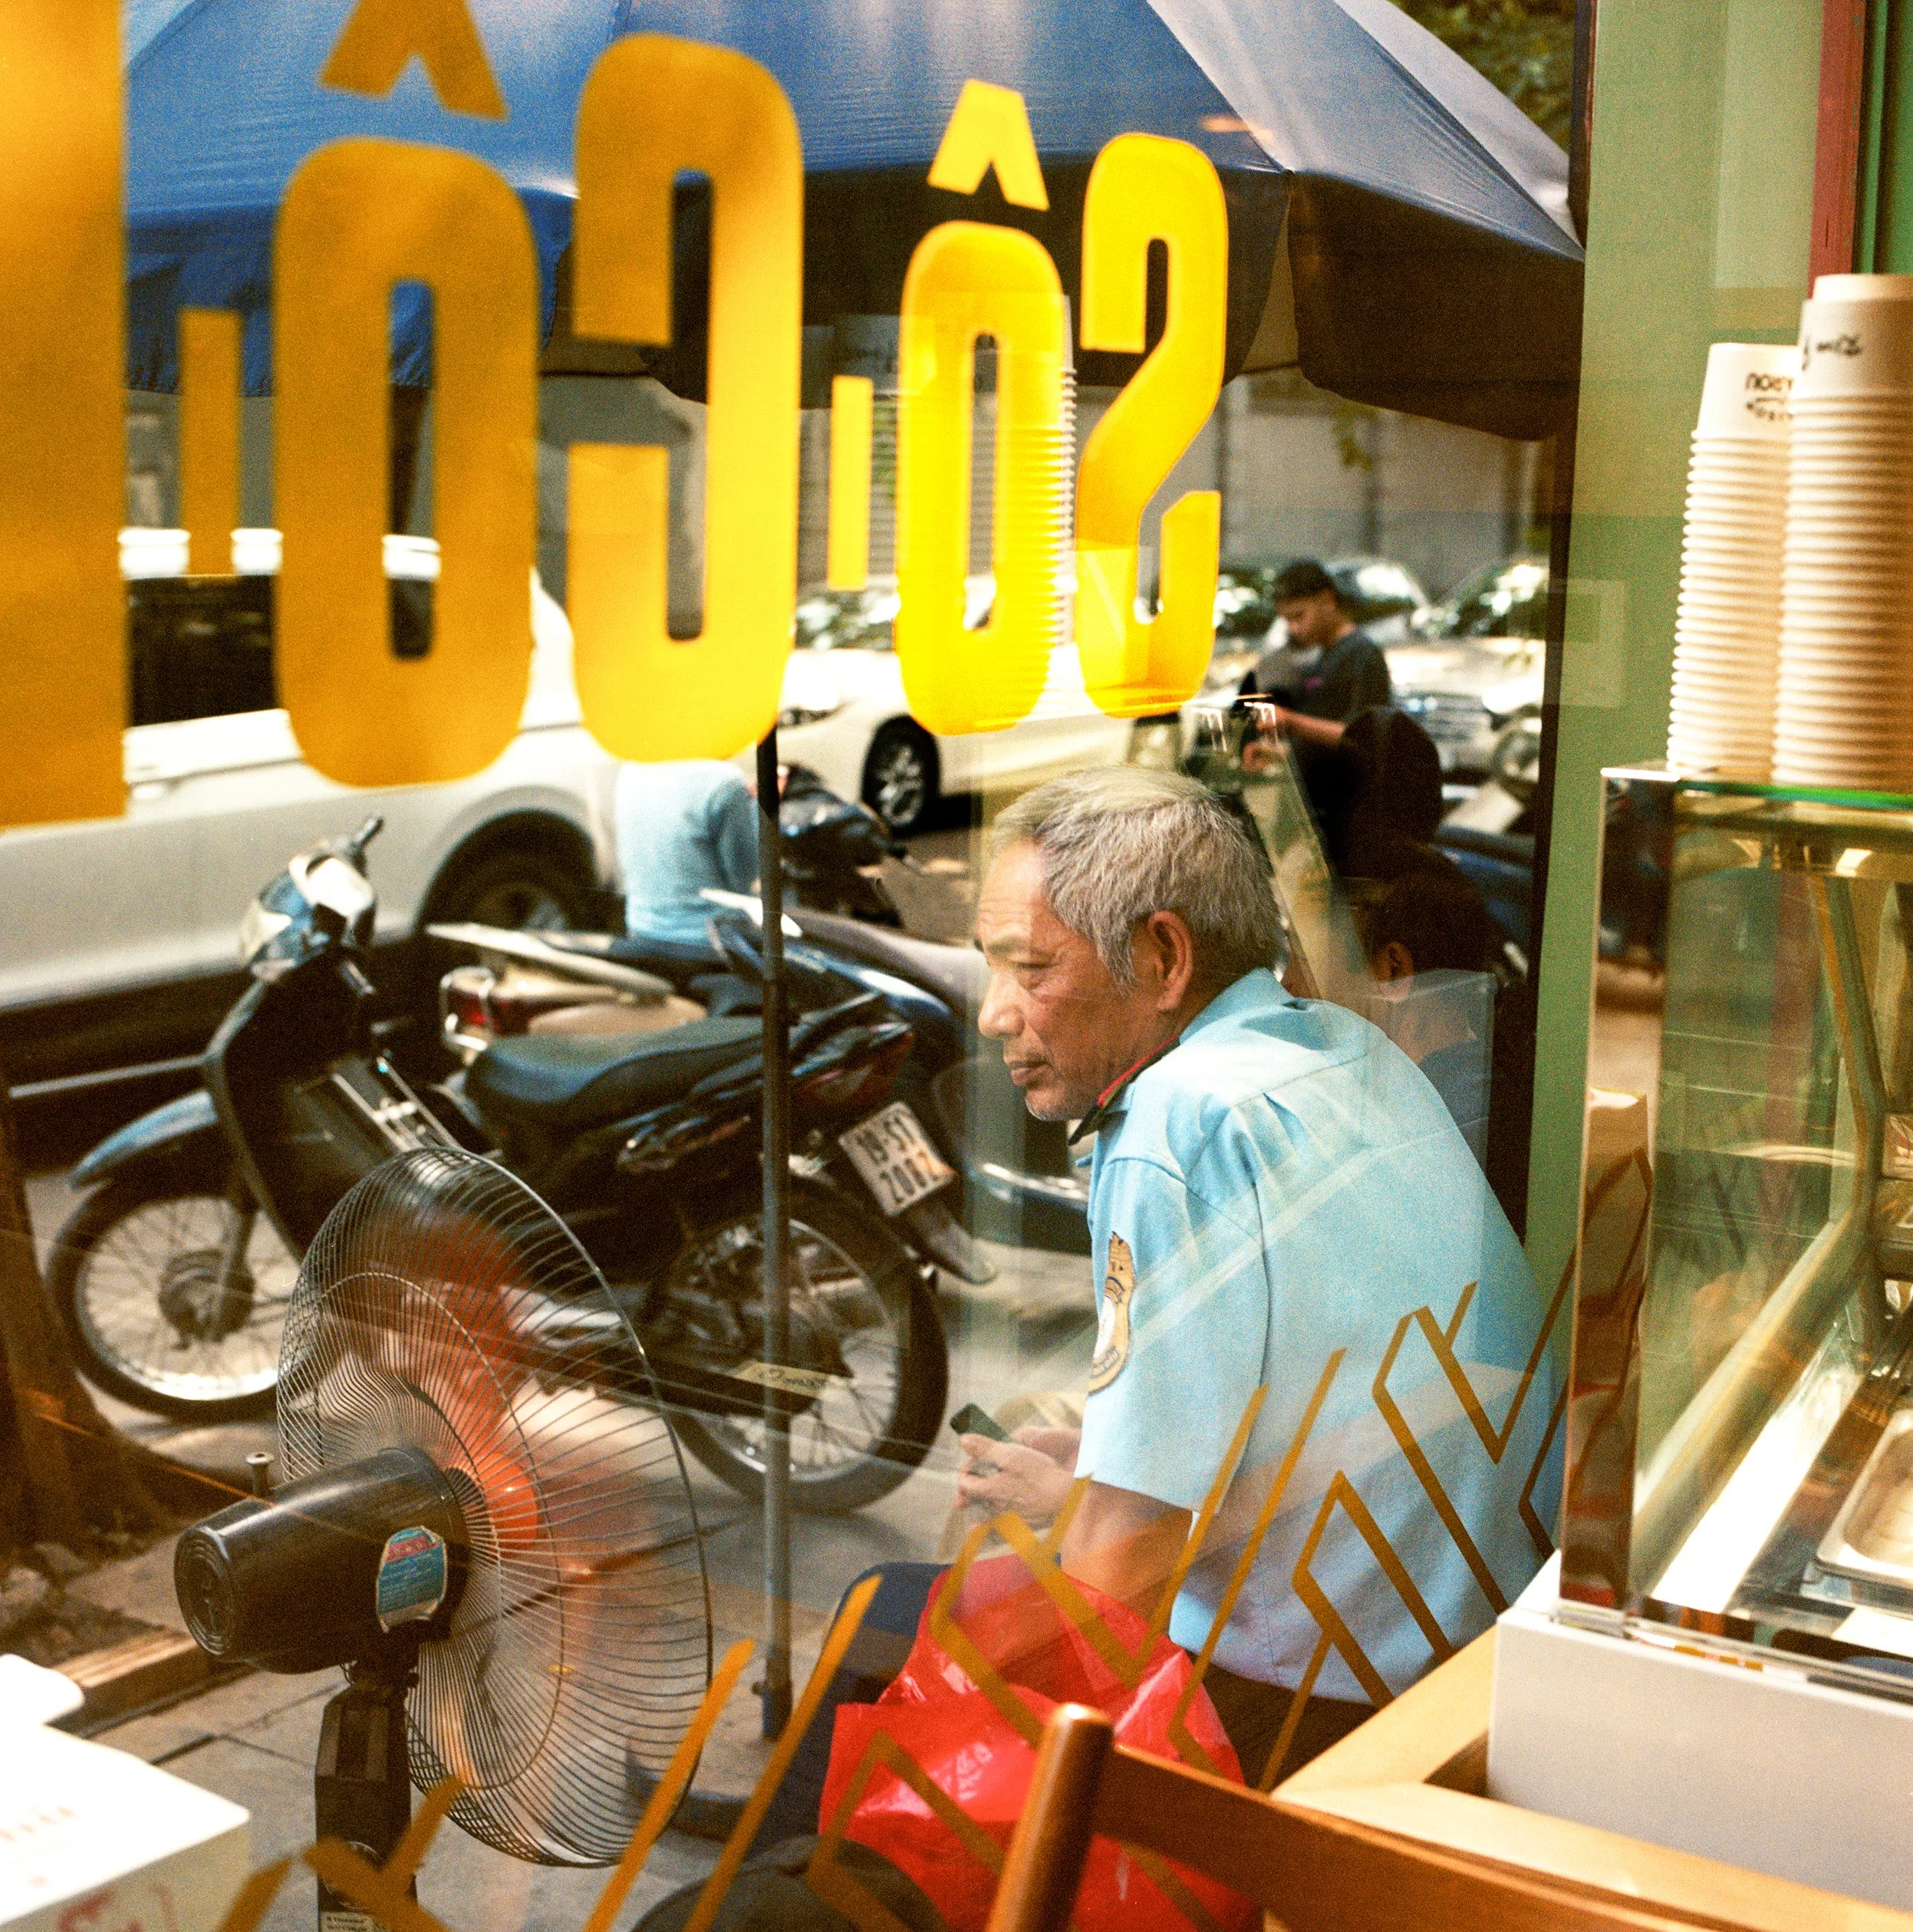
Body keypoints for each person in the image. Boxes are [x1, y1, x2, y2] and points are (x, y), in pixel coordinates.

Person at [952, 767, 1557, 1781]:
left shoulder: (1175, 1122)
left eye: (1028, 969)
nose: (993, 1013)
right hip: (1470, 1649)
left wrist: (1080, 1513)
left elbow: (1120, 1567)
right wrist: (1093, 1476)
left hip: (1313, 1707)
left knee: (904, 1612)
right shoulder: (1344, 1046)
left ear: (1160, 954)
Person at [613, 759, 759, 959]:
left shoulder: (631, 770)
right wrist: (753, 809)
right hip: (709, 943)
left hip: (642, 931)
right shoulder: (724, 779)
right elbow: (744, 878)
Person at [1240, 558, 1393, 750]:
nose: (1293, 628)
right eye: (1287, 620)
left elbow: (1364, 738)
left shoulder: (1362, 655)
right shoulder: (1324, 655)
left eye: (1298, 616)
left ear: (1327, 601)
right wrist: (1276, 754)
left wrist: (1290, 720)